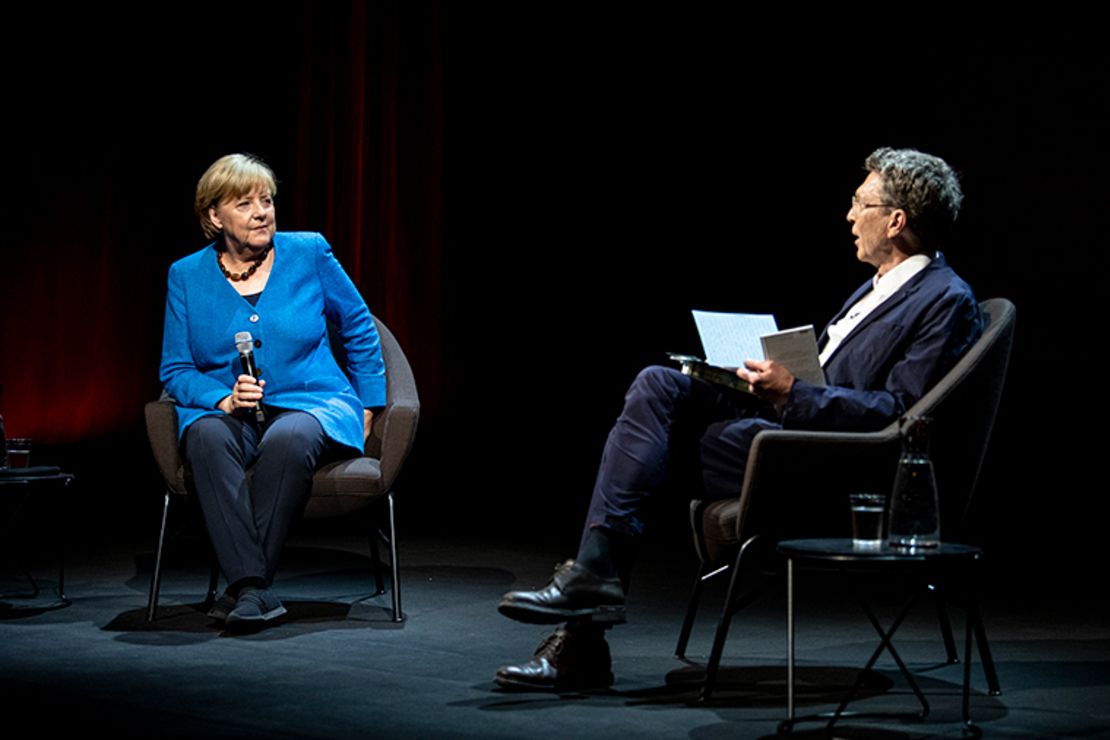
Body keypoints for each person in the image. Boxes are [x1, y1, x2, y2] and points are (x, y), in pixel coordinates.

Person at [494, 147, 984, 690]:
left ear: (895, 220)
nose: (849, 216)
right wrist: (751, 382)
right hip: (791, 430)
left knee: (636, 458)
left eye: (859, 202)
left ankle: (584, 621)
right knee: (657, 385)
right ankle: (591, 587)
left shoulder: (945, 299)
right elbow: (835, 381)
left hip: (830, 464)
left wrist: (792, 392)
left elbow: (898, 411)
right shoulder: (874, 289)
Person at [160, 153, 385, 627]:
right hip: (233, 413)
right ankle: (254, 589)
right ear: (215, 216)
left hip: (313, 403)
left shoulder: (309, 251)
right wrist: (221, 399)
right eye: (245, 204)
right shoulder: (185, 275)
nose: (262, 212)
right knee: (204, 436)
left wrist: (370, 403)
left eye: (266, 200)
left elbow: (360, 327)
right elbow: (176, 369)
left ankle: (243, 587)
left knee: (290, 436)